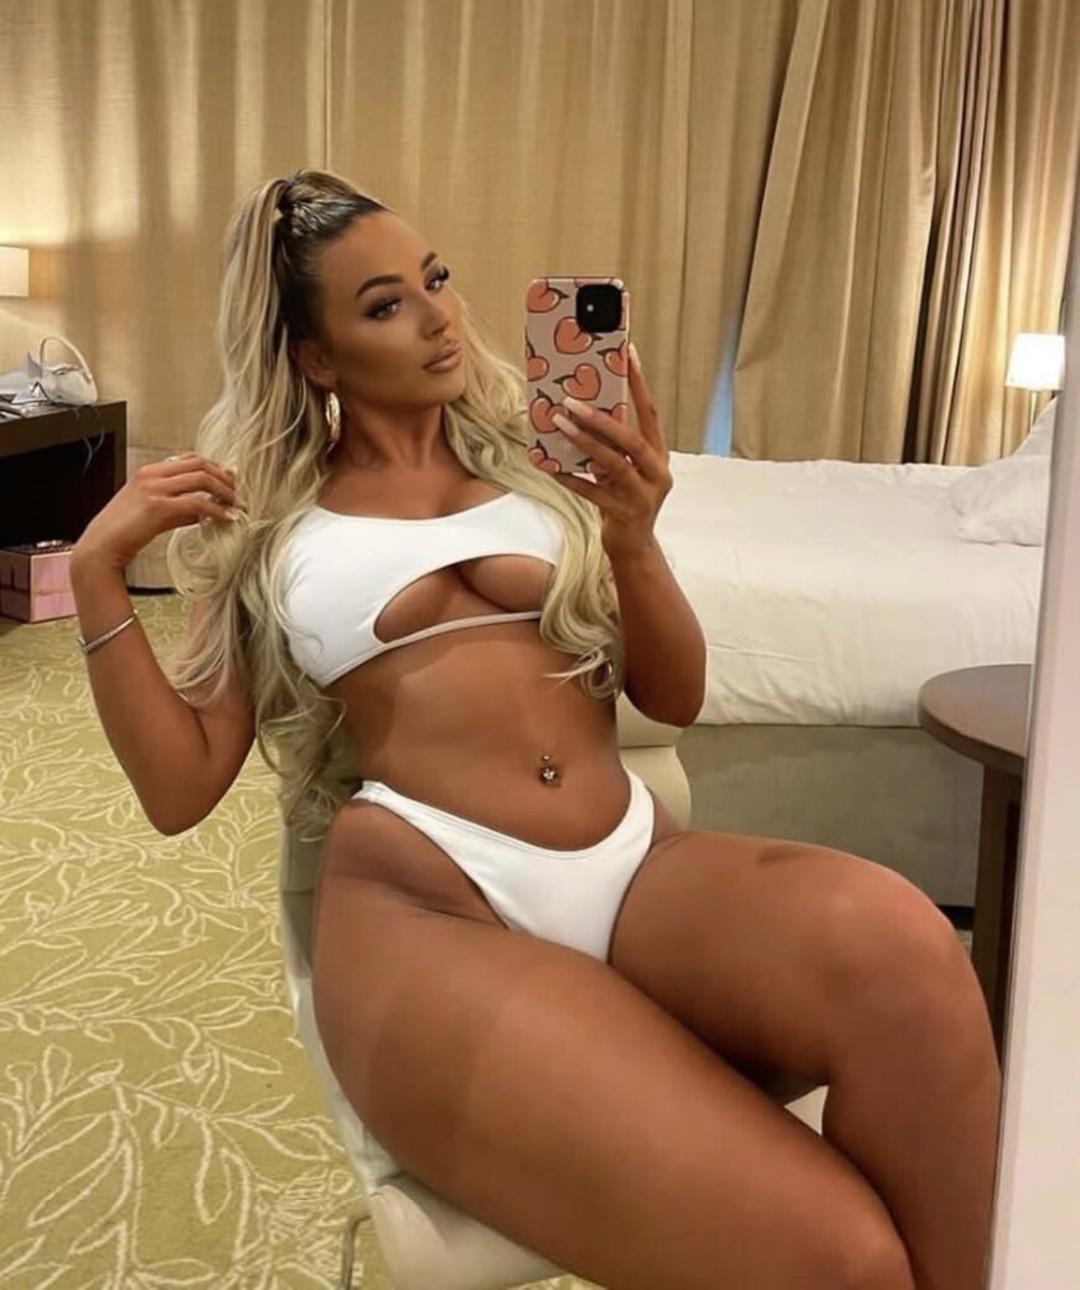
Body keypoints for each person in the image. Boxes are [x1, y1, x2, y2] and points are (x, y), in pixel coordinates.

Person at [70, 168, 1001, 1290]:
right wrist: (95, 574)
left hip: (634, 866)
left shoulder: (543, 462)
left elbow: (674, 696)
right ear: (315, 357)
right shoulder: (266, 521)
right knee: (843, 1258)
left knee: (908, 952)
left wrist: (635, 537)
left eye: (436, 279)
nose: (438, 317)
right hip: (428, 909)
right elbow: (180, 791)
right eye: (385, 305)